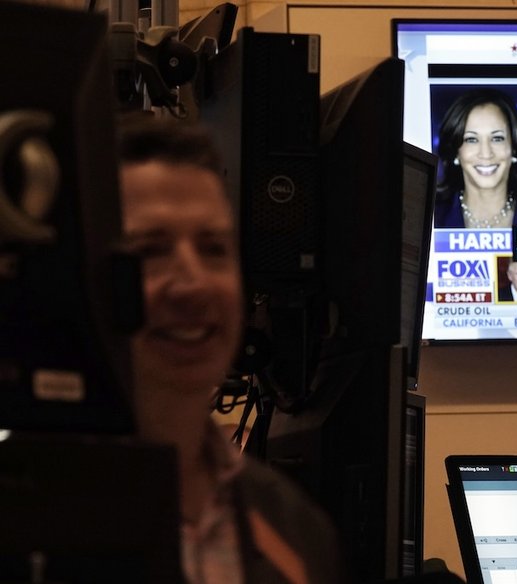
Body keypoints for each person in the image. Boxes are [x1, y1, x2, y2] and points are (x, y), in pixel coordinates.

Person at [117, 115, 342, 583]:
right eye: (151, 250)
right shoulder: (30, 511)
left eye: (214, 248)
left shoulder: (294, 527)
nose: (194, 282)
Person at [434, 88, 517, 228]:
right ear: (456, 151)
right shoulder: (434, 216)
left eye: (497, 138)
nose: (486, 153)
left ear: (514, 146)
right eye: (471, 139)